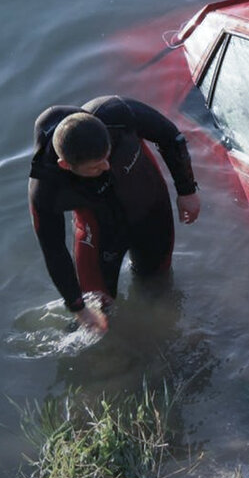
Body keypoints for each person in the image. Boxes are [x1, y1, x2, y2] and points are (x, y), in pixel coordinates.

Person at [28, 95, 200, 332]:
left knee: (158, 284)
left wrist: (187, 191)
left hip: (150, 208)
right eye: (96, 166)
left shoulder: (114, 114)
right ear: (66, 166)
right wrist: (77, 307)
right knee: (99, 311)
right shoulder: (46, 190)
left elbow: (171, 136)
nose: (107, 167)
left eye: (108, 157)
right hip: (101, 233)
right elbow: (54, 250)